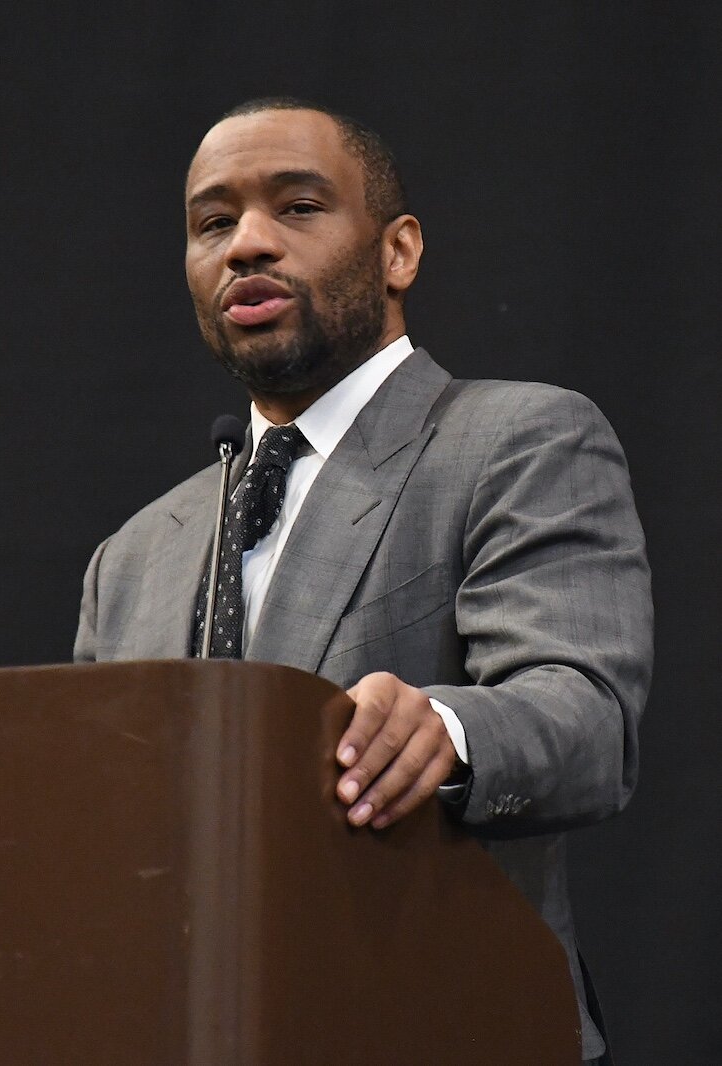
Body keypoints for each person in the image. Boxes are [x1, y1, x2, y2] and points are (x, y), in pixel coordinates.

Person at [75, 97, 653, 1063]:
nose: (246, 244)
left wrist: (447, 728)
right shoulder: (132, 555)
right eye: (212, 224)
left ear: (398, 253)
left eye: (297, 207)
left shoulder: (515, 441)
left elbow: (586, 717)